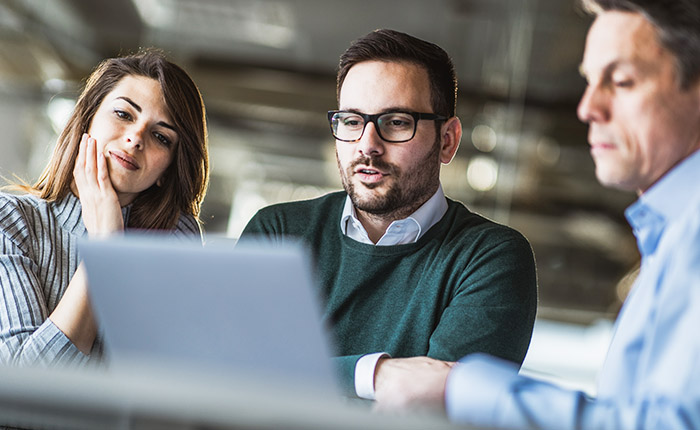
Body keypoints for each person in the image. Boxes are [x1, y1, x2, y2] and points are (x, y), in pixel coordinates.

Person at [372, 0, 700, 428]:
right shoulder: (669, 238)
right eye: (589, 82)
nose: (587, 108)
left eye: (621, 81)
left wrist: (463, 389)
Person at [240, 29, 537, 399]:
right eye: (351, 121)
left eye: (396, 122)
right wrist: (377, 375)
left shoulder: (489, 258)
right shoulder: (279, 232)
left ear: (447, 141)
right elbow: (233, 372)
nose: (367, 145)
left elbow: (440, 408)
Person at [0, 49, 209, 367]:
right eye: (124, 114)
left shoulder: (175, 244)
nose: (136, 138)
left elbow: (161, 389)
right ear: (87, 120)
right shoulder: (11, 220)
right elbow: (25, 387)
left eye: (161, 137)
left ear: (167, 171)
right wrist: (104, 247)